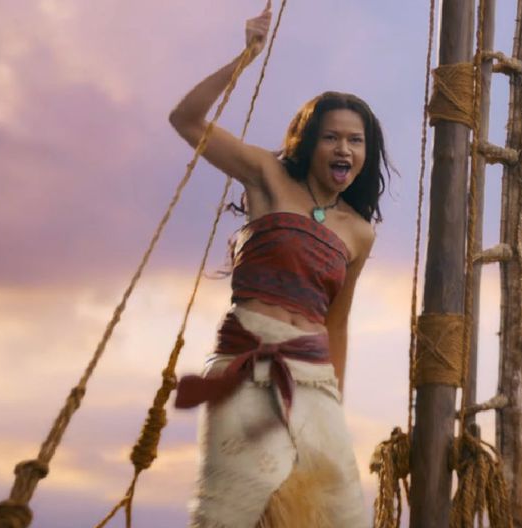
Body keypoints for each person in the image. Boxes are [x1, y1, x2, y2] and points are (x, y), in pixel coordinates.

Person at [169, 3, 392, 526]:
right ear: (310, 142)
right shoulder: (267, 176)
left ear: (366, 153)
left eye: (355, 140)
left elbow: (337, 323)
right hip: (246, 366)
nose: (343, 147)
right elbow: (186, 120)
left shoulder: (359, 232)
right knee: (232, 508)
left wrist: (336, 402)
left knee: (340, 515)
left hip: (314, 380)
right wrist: (244, 57)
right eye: (331, 136)